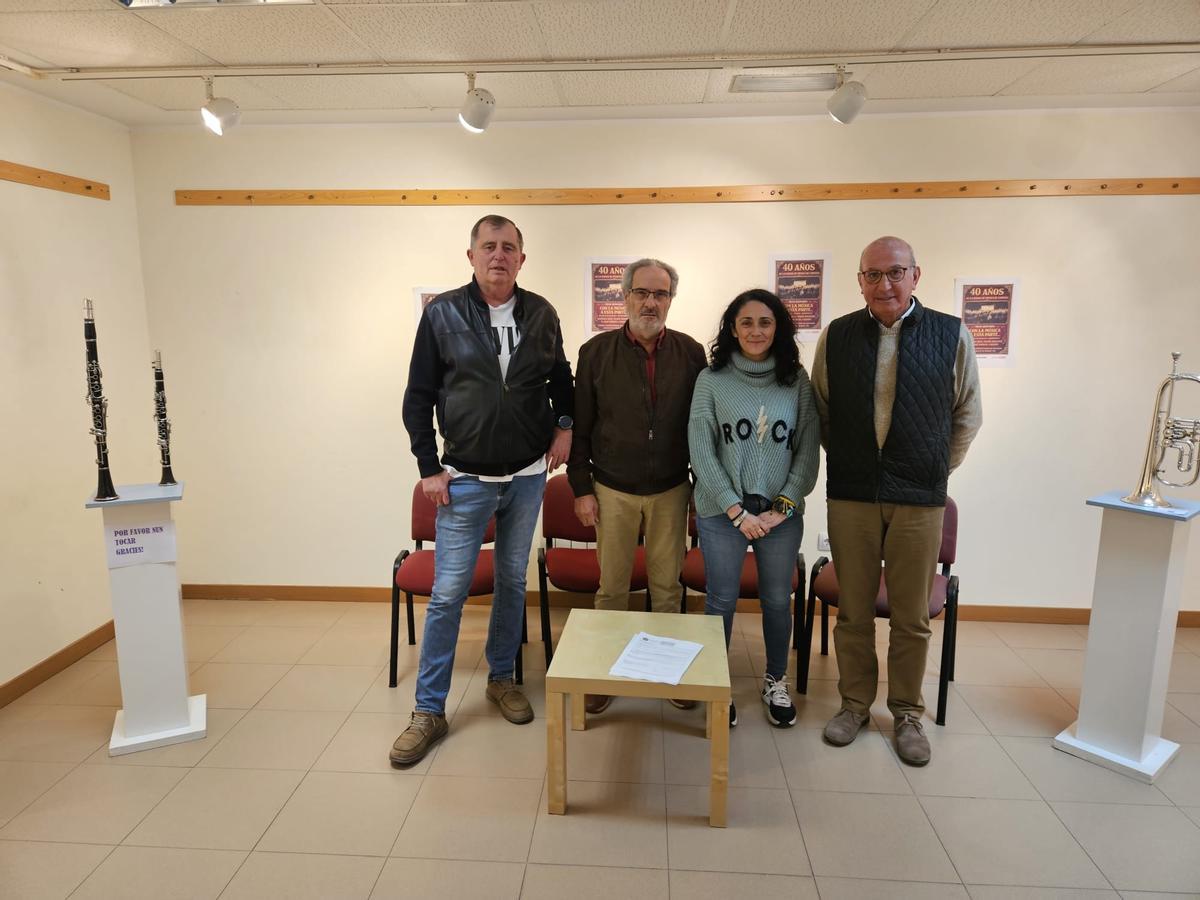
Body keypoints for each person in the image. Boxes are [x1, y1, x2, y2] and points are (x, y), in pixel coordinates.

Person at [391, 214, 573, 766]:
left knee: (513, 581)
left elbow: (561, 378)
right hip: (465, 479)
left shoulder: (541, 313)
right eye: (489, 246)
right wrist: (428, 465)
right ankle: (429, 710)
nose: (499, 255)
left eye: (509, 247)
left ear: (522, 259)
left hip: (525, 478)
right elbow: (418, 394)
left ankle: (501, 678)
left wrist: (564, 425)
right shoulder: (442, 313)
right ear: (470, 256)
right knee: (448, 595)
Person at [813, 235, 981, 767]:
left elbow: (967, 414)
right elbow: (821, 409)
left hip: (920, 499)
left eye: (895, 273)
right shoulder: (837, 336)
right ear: (860, 280)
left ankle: (907, 713)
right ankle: (854, 704)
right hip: (853, 495)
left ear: (916, 276)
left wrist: (933, 468)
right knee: (854, 612)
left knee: (911, 617)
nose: (884, 284)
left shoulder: (951, 334)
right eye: (872, 275)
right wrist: (853, 461)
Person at [568, 258, 708, 715]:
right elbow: (581, 428)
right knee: (611, 588)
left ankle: (664, 671)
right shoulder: (595, 353)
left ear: (670, 300)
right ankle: (604, 673)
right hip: (612, 488)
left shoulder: (690, 353)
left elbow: (700, 428)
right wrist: (581, 487)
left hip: (671, 488)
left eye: (661, 294)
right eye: (642, 293)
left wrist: (699, 492)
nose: (651, 303)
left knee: (668, 588)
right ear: (624, 296)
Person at [688, 289, 820, 728]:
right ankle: (716, 684)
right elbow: (701, 452)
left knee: (777, 601)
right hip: (721, 511)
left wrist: (782, 506)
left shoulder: (796, 380)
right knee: (721, 599)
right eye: (746, 322)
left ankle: (775, 681)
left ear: (778, 327)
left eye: (765, 322)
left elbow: (806, 451)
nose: (756, 330)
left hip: (779, 513)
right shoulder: (711, 379)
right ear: (732, 328)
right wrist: (735, 510)